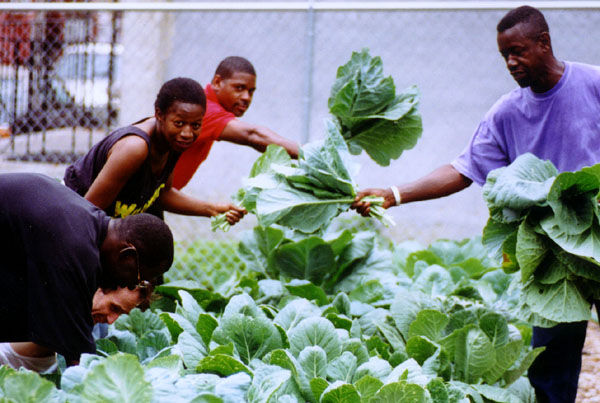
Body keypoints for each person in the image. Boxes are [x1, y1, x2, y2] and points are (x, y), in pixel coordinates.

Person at [351, 6, 600, 403]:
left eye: (517, 51)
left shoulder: (592, 83)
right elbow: (461, 170)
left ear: (544, 43)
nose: (510, 63)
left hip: (599, 235)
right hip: (553, 257)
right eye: (504, 55)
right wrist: (394, 194)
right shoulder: (506, 113)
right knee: (552, 366)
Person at [0, 172, 174, 366]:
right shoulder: (77, 249)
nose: (128, 284)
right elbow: (80, 359)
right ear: (127, 257)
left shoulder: (86, 225)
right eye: (136, 278)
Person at [63, 77, 246, 225]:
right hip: (71, 219)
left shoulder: (172, 141)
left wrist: (213, 209)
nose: (187, 133)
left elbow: (162, 194)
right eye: (179, 123)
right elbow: (88, 213)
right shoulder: (135, 148)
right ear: (159, 114)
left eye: (196, 125)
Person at [171, 56, 299, 190]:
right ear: (217, 82)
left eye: (251, 91)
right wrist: (309, 153)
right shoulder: (206, 110)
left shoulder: (204, 105)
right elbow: (252, 135)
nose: (246, 97)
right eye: (239, 88)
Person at [0, 283, 153, 373]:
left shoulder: (97, 328)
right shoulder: (58, 299)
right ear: (98, 286)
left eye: (120, 313)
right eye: (113, 307)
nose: (112, 320)